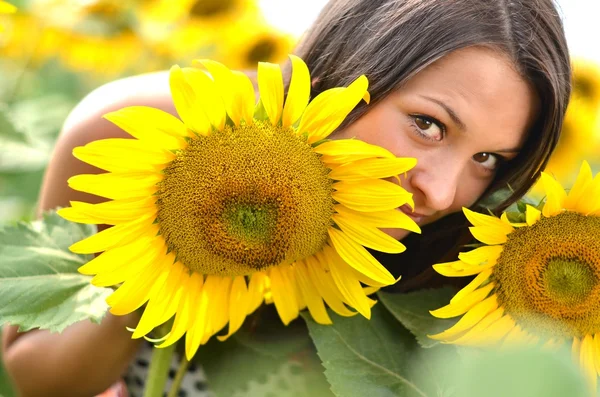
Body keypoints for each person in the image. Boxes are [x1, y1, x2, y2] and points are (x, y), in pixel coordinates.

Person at [2, 0, 571, 395]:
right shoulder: (147, 138)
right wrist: (162, 260)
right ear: (353, 65)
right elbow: (24, 380)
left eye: (489, 159)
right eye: (427, 124)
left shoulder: (477, 265)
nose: (442, 191)